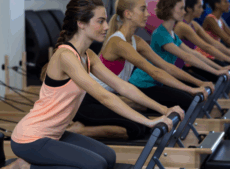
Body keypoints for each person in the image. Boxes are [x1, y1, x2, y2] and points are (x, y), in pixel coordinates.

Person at [5, 0, 182, 169]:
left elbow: (122, 86)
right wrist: (148, 122)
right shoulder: (66, 56)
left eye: (105, 20)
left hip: (55, 134)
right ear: (81, 23)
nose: (106, 27)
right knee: (94, 165)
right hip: (30, 138)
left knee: (109, 157)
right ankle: (25, 166)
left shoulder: (88, 55)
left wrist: (164, 110)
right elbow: (104, 95)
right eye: (100, 21)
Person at [72, 0, 216, 140]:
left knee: (144, 128)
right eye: (143, 9)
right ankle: (80, 130)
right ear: (128, 14)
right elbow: (154, 73)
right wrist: (190, 90)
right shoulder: (118, 43)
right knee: (135, 129)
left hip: (108, 98)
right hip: (86, 102)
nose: (147, 14)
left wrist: (197, 85)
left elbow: (164, 67)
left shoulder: (137, 41)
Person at [174, 0, 230, 70]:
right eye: (199, 7)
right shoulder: (183, 26)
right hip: (182, 66)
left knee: (225, 69)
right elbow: (207, 46)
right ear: (189, 8)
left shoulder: (194, 24)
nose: (202, 10)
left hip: (191, 61)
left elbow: (214, 43)